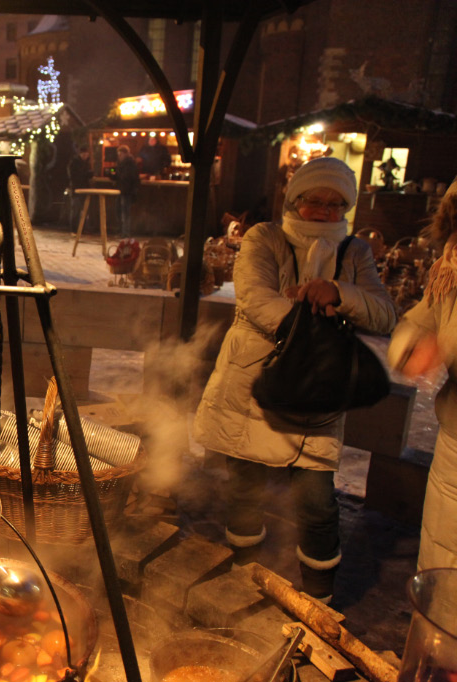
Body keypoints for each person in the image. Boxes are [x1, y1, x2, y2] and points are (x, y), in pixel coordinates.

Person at [193, 157, 396, 602]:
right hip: (254, 385)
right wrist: (316, 316)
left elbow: (383, 313)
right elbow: (255, 300)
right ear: (294, 200)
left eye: (335, 203)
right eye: (314, 201)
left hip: (318, 393)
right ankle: (244, 577)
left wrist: (340, 292)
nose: (323, 211)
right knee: (244, 488)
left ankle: (316, 600)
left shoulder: (355, 252)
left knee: (317, 502)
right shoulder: (265, 237)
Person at [387, 178, 457, 570]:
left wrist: (447, 345)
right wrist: (414, 342)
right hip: (454, 443)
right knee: (441, 563)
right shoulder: (452, 263)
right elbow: (426, 316)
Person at [112, 145, 140, 237]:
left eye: (121, 154)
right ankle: (121, 231)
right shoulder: (121, 163)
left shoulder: (130, 163)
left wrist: (117, 174)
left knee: (125, 213)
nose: (119, 156)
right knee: (118, 211)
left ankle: (125, 232)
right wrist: (112, 175)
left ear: (126, 154)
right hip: (121, 190)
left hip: (127, 191)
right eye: (119, 154)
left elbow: (128, 177)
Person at [67, 145, 93, 232]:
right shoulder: (74, 163)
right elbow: (74, 176)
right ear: (80, 154)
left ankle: (83, 229)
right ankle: (74, 229)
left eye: (86, 154)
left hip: (85, 189)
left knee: (84, 210)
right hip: (76, 189)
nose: (85, 156)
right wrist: (86, 174)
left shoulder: (87, 163)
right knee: (76, 210)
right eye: (84, 154)